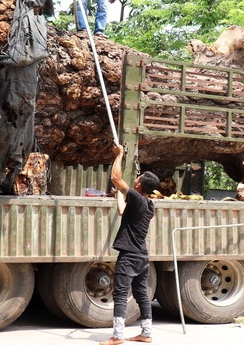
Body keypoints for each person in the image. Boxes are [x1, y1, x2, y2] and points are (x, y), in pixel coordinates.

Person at [101, 143, 160, 345]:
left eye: (138, 178)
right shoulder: (148, 205)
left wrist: (119, 155)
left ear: (138, 185)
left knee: (120, 293)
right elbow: (121, 210)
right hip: (142, 256)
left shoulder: (137, 198)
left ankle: (117, 336)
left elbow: (115, 178)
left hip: (129, 255)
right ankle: (146, 333)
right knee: (141, 294)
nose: (136, 178)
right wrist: (119, 192)